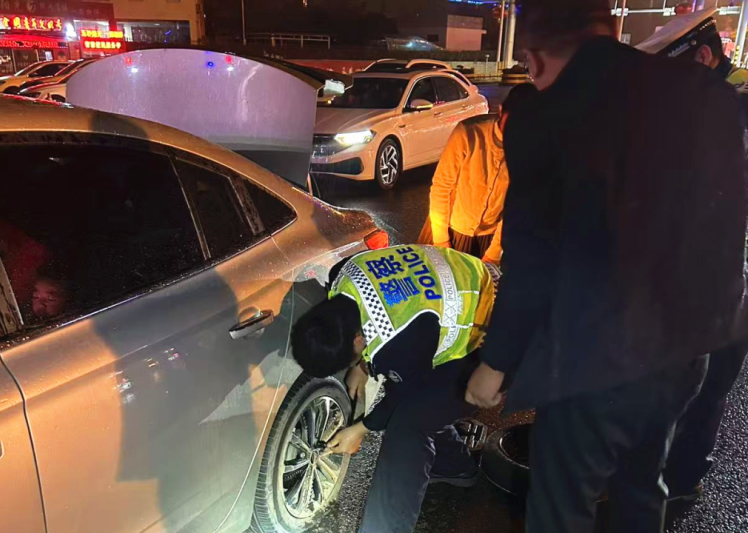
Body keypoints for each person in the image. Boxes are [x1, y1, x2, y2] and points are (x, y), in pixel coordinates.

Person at [464, 1, 747, 533]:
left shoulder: (542, 116)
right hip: (684, 351)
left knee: (562, 505)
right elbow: (727, 221)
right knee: (642, 486)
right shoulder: (702, 93)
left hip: (592, 359)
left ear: (533, 57)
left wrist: (496, 363)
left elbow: (533, 255)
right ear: (610, 26)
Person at [291, 244, 499, 533]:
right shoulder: (342, 275)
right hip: (465, 279)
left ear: (357, 340)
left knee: (408, 423)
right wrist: (361, 366)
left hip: (494, 337)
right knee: (421, 404)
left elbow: (405, 393)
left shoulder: (398, 346)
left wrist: (360, 429)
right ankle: (455, 466)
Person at [637, 7, 748, 502]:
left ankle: (673, 482)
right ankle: (678, 477)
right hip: (711, 285)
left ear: (702, 57)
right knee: (697, 391)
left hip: (720, 288)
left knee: (695, 388)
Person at [418, 83, 538, 264]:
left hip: (490, 239)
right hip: (450, 230)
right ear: (501, 110)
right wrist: (442, 241)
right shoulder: (468, 133)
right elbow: (441, 188)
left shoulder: (529, 151)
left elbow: (515, 206)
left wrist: (494, 253)